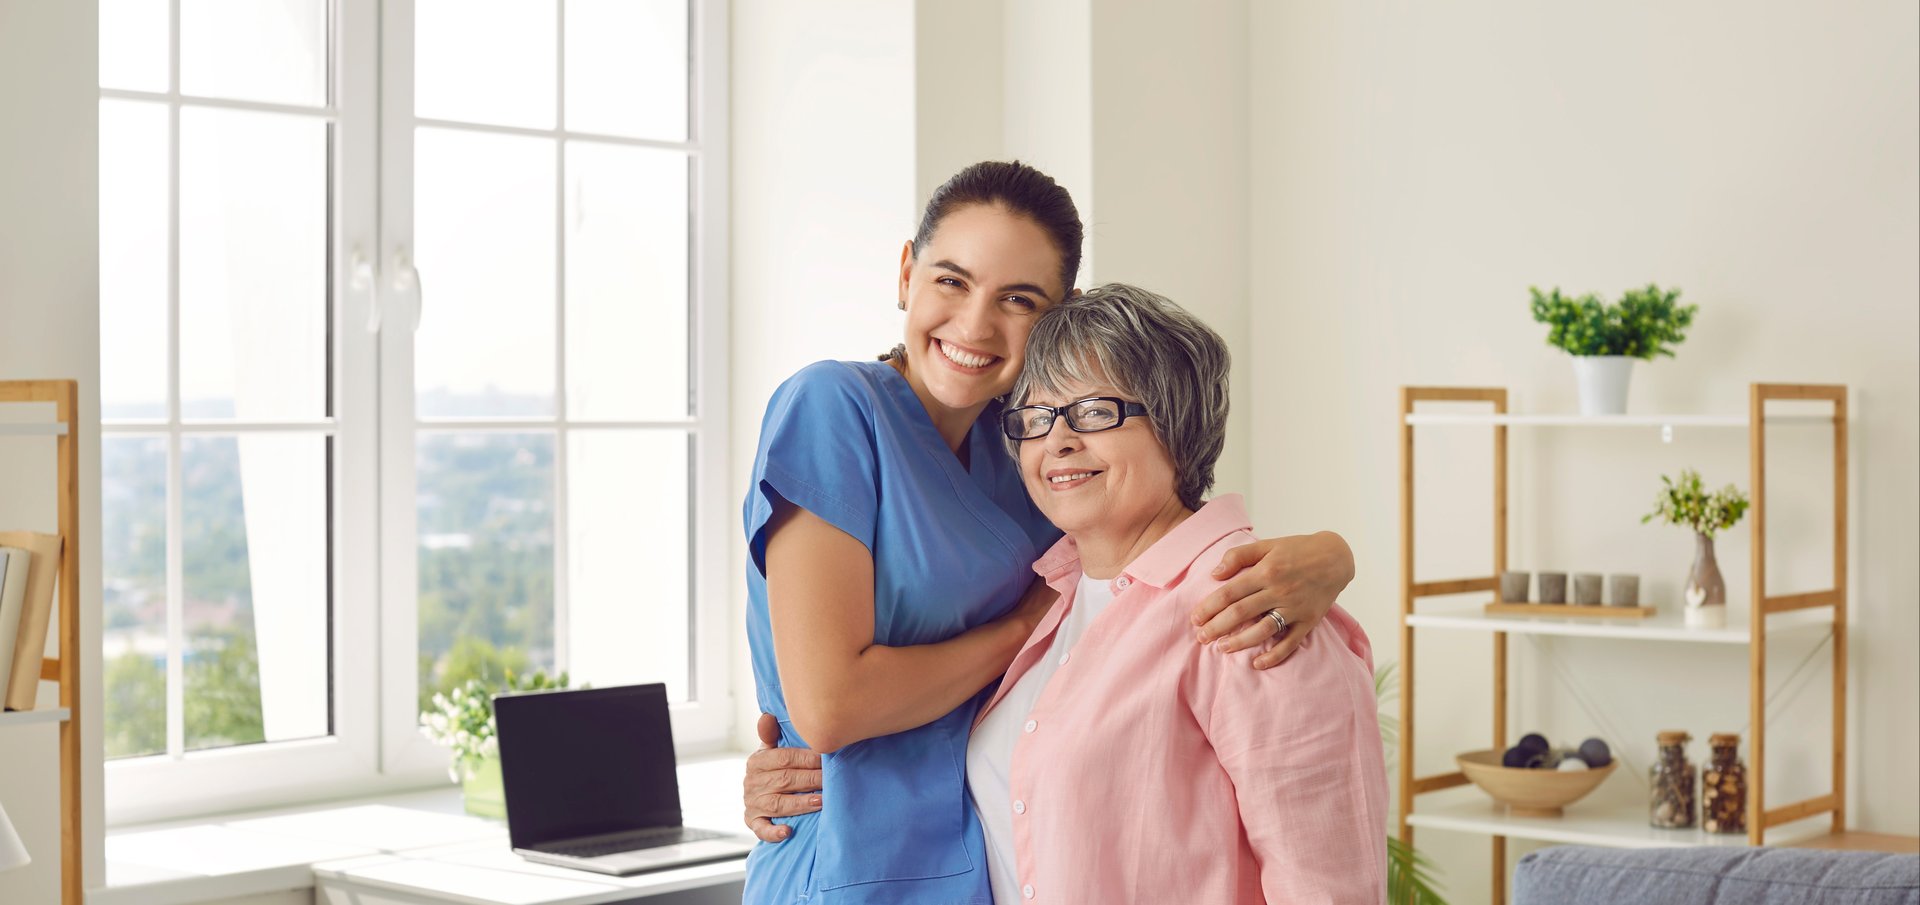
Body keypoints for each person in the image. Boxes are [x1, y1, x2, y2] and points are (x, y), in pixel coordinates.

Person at [741, 161, 1356, 904]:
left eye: (1018, 298)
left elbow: (1156, 529)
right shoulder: (834, 409)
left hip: (983, 863)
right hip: (851, 863)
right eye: (950, 280)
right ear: (906, 272)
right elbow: (830, 707)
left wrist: (1333, 556)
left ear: (1055, 315)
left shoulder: (1029, 453)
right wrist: (1023, 627)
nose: (973, 324)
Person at [969, 283, 1386, 903]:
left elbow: (1328, 887)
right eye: (1037, 416)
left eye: (1093, 411)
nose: (1057, 439)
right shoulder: (1043, 600)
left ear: (1176, 424)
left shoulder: (1247, 604)